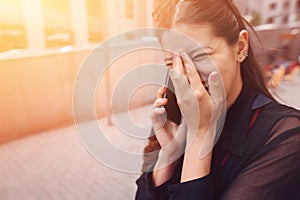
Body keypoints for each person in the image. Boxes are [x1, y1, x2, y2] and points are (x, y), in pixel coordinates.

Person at [135, 0, 300, 199]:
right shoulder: (173, 120)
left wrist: (200, 134)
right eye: (173, 63)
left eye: (201, 55)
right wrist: (169, 155)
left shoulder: (286, 136)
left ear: (240, 47)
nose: (188, 75)